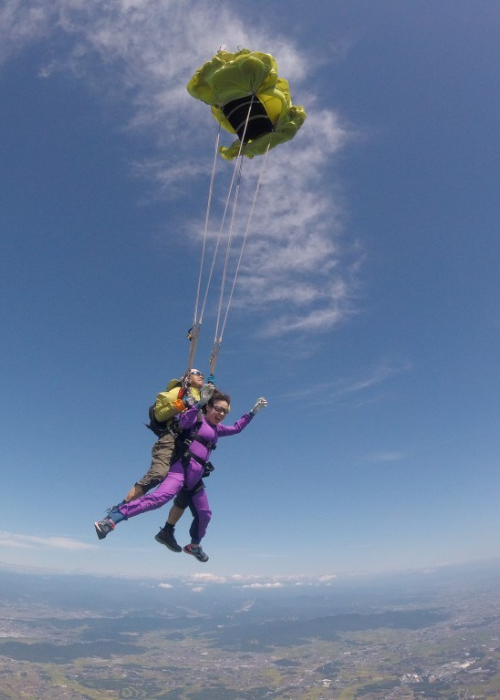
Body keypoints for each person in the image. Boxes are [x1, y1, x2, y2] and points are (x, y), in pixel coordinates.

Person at [94, 391, 268, 562]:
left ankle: (194, 546)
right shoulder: (197, 419)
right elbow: (184, 422)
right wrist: (198, 404)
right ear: (208, 407)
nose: (221, 414)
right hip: (180, 470)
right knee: (158, 499)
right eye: (218, 409)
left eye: (225, 411)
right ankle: (111, 520)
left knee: (205, 514)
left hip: (196, 478)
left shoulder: (217, 429)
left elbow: (236, 428)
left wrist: (252, 412)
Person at [110, 369, 207, 509]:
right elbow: (160, 415)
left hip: (188, 445)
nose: (201, 375)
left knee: (189, 486)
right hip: (171, 438)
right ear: (187, 377)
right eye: (197, 373)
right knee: (158, 474)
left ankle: (168, 528)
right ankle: (119, 509)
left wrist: (210, 391)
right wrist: (184, 403)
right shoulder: (179, 391)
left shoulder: (202, 396)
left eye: (201, 374)